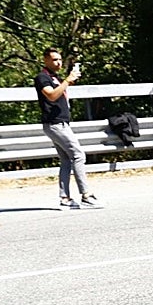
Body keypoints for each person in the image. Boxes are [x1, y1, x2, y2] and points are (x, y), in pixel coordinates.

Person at [34, 47, 100, 209]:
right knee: (78, 155)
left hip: (61, 123)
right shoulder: (42, 77)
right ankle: (86, 195)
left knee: (66, 160)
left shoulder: (55, 77)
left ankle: (65, 198)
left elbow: (60, 92)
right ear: (46, 60)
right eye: (55, 59)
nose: (58, 62)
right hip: (55, 124)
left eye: (60, 59)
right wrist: (67, 81)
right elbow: (51, 95)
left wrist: (67, 81)